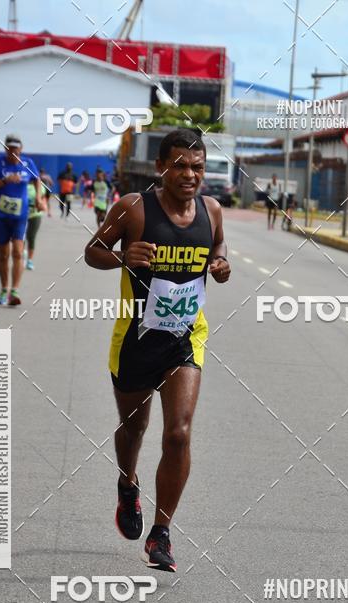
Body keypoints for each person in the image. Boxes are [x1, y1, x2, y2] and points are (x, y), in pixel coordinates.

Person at [85, 128, 231, 572]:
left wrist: (221, 263)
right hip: (136, 340)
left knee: (179, 433)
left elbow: (218, 244)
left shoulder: (211, 209)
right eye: (180, 166)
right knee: (135, 428)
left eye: (197, 167)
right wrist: (123, 257)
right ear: (161, 167)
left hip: (185, 338)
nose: (190, 175)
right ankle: (127, 484)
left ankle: (161, 533)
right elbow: (93, 251)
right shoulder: (133, 208)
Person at [0, 134, 44, 306]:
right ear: (5, 149)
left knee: (17, 252)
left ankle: (14, 291)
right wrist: (5, 180)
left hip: (20, 216)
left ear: (21, 149)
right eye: (10, 150)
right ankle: (4, 289)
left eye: (16, 150)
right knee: (3, 254)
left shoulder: (27, 163)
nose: (13, 153)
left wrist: (38, 198)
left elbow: (37, 179)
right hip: (0, 216)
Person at [24, 179, 45, 270]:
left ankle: (29, 260)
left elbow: (43, 200)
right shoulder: (23, 185)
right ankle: (21, 253)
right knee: (20, 237)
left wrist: (42, 205)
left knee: (31, 237)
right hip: (22, 215)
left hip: (35, 215)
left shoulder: (41, 188)